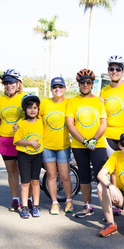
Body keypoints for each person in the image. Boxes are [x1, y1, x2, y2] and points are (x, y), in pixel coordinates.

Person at [66, 69, 108, 218]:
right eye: (82, 82)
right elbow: (70, 125)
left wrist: (94, 139)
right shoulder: (72, 102)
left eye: (88, 82)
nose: (85, 85)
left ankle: (107, 209)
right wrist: (84, 141)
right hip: (79, 145)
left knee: (101, 176)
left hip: (98, 144)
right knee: (84, 175)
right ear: (78, 84)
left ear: (92, 84)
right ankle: (87, 206)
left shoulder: (98, 101)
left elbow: (103, 123)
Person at [40, 77, 73, 215]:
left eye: (60, 87)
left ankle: (69, 201)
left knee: (65, 176)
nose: (57, 89)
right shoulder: (44, 103)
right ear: (51, 89)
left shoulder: (69, 103)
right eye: (55, 87)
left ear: (65, 88)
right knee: (51, 176)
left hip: (63, 146)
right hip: (47, 146)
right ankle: (54, 203)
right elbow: (35, 119)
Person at [0, 69, 27, 212]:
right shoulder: (0, 100)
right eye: (6, 83)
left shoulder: (24, 97)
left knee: (24, 172)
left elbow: (31, 116)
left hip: (21, 140)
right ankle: (15, 199)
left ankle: (27, 200)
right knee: (12, 172)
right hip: (6, 140)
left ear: (18, 83)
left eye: (12, 82)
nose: (9, 85)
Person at [14, 94, 44, 219]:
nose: (32, 110)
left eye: (35, 107)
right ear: (25, 109)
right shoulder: (20, 123)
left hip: (37, 155)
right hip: (24, 156)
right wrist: (30, 143)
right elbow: (17, 141)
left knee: (36, 181)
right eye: (30, 107)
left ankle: (35, 206)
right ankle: (25, 207)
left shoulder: (41, 121)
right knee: (25, 183)